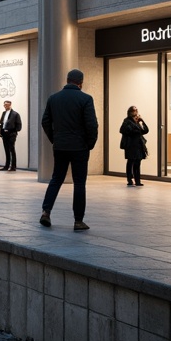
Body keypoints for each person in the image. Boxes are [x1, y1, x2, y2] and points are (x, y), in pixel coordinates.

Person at [39, 69, 98, 231]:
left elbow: (45, 122)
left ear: (67, 80)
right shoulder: (85, 99)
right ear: (81, 82)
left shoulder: (54, 98)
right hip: (79, 147)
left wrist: (55, 139)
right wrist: (89, 144)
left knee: (56, 178)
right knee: (79, 182)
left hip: (60, 146)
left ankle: (46, 212)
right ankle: (78, 221)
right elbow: (92, 124)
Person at [118, 106, 149, 188]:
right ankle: (130, 179)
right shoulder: (127, 121)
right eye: (134, 111)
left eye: (136, 110)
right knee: (131, 161)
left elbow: (145, 131)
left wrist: (142, 121)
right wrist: (135, 127)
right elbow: (124, 130)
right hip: (130, 145)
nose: (135, 112)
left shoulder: (137, 122)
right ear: (130, 112)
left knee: (138, 162)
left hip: (138, 145)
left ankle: (138, 180)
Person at [0, 100, 23, 171]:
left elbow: (19, 125)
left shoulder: (15, 114)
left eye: (7, 105)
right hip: (4, 134)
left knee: (12, 149)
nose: (5, 106)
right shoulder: (3, 113)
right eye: (4, 105)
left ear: (10, 105)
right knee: (6, 150)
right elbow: (1, 123)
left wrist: (13, 131)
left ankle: (13, 166)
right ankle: (6, 165)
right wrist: (0, 132)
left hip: (11, 134)